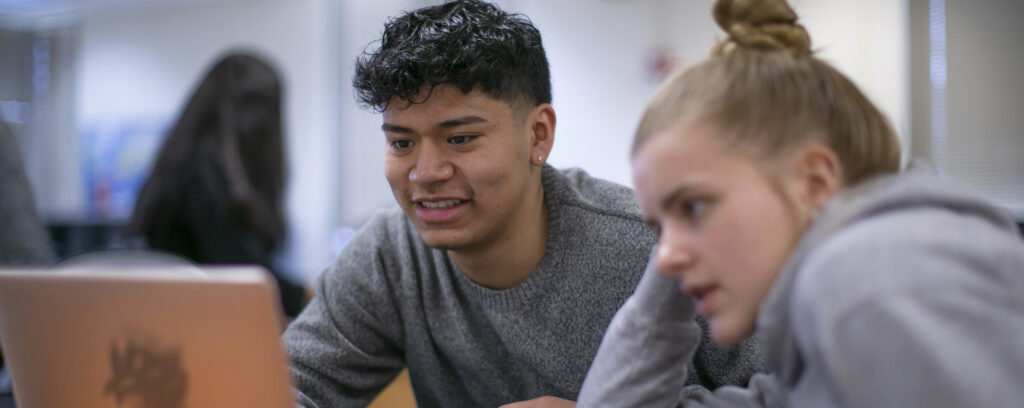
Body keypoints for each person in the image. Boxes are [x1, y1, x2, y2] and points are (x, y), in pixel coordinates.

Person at [282, 1, 762, 406]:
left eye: (461, 138)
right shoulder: (391, 256)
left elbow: (801, 391)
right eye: (402, 143)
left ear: (538, 135)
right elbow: (284, 392)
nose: (425, 173)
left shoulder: (657, 246)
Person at [576, 0, 1024, 406]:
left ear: (813, 182)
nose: (666, 257)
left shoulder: (862, 282)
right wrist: (683, 241)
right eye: (658, 229)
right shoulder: (823, 360)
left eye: (693, 207)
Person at [128, 52, 308, 318]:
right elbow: (243, 274)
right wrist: (308, 293)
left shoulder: (179, 163)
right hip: (200, 327)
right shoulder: (206, 173)